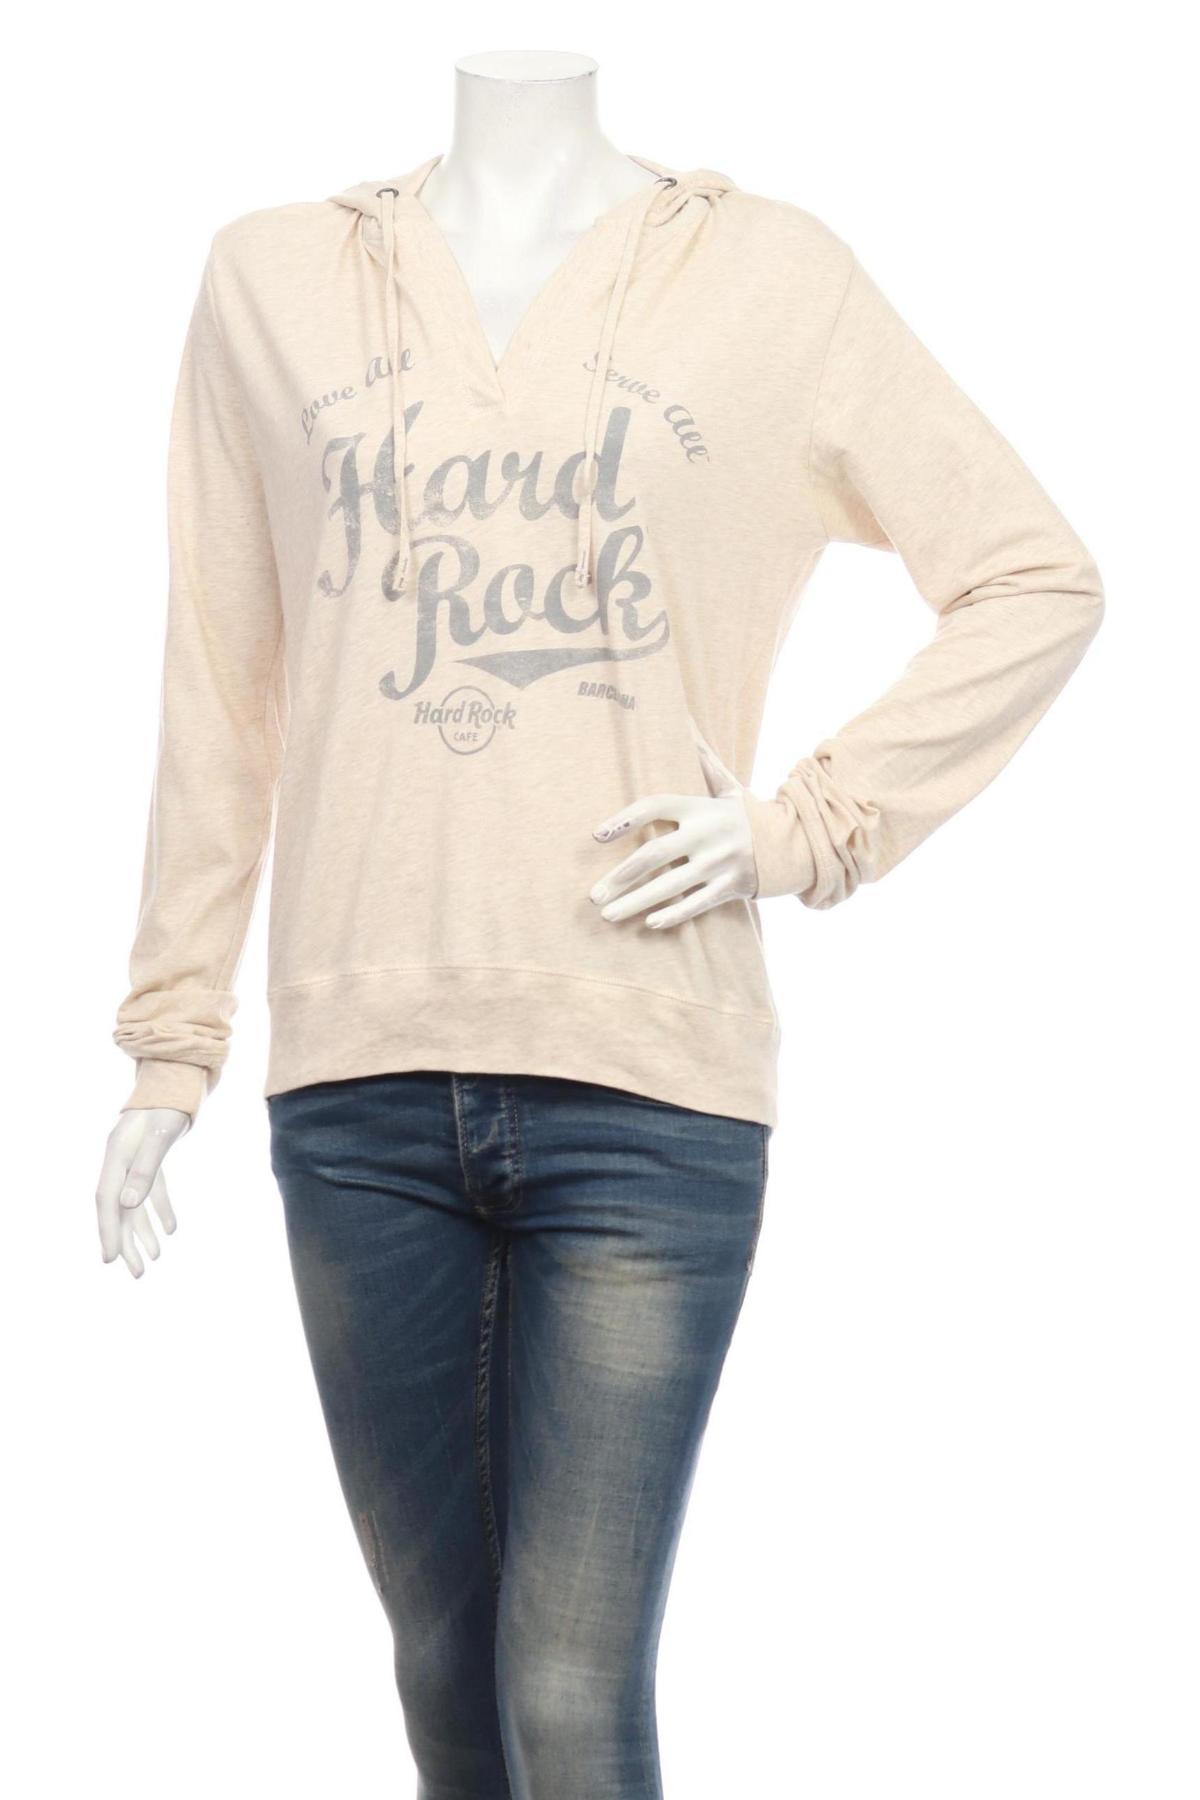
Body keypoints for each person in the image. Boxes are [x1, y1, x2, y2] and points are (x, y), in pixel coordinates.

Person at [96, 48, 1103, 1800]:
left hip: (651, 1088)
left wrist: (803, 830)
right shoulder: (270, 279)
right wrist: (170, 1042)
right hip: (359, 1088)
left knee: (568, 1684)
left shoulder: (774, 277)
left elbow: (1033, 577)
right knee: (442, 1670)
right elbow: (221, 685)